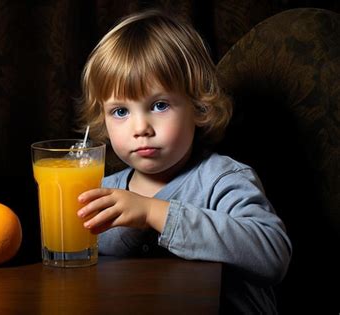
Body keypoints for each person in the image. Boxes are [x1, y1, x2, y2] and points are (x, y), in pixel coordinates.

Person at [75, 9, 292, 314]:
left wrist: (153, 212)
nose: (140, 129)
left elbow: (272, 255)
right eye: (120, 111)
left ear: (198, 107)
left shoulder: (223, 179)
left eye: (159, 105)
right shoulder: (101, 192)